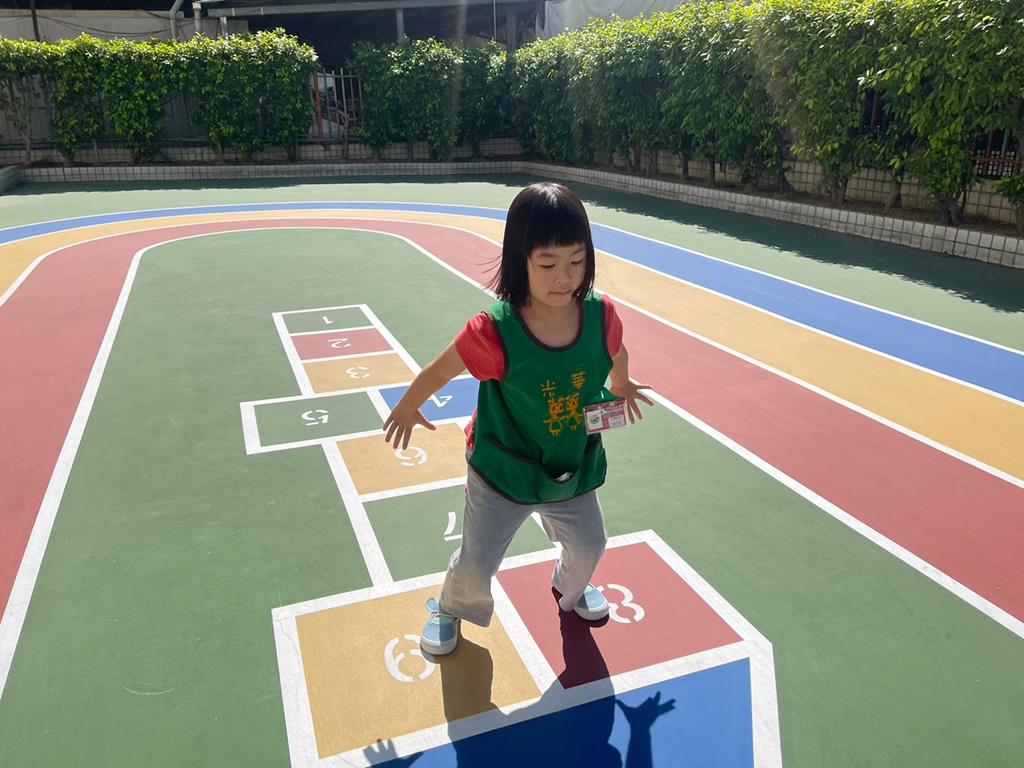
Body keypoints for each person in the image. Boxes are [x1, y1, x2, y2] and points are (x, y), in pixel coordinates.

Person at [383, 182, 653, 656]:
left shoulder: (600, 316)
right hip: (502, 471)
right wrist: (408, 405)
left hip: (569, 465)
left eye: (576, 260)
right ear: (518, 260)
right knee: (477, 562)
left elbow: (617, 351)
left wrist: (623, 384)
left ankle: (569, 584)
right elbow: (443, 369)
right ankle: (448, 607)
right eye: (547, 264)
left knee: (590, 544)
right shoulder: (496, 331)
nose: (564, 277)